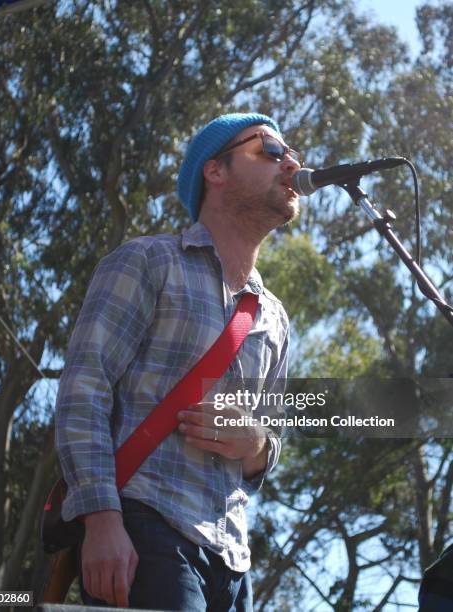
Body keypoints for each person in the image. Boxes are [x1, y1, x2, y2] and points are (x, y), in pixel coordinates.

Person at [55, 112, 301, 610]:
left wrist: (255, 443)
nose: (292, 163)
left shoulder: (274, 318)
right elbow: (84, 390)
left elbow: (272, 440)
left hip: (234, 563)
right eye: (271, 151)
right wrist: (102, 521)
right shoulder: (146, 261)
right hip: (144, 528)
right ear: (215, 171)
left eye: (291, 153)